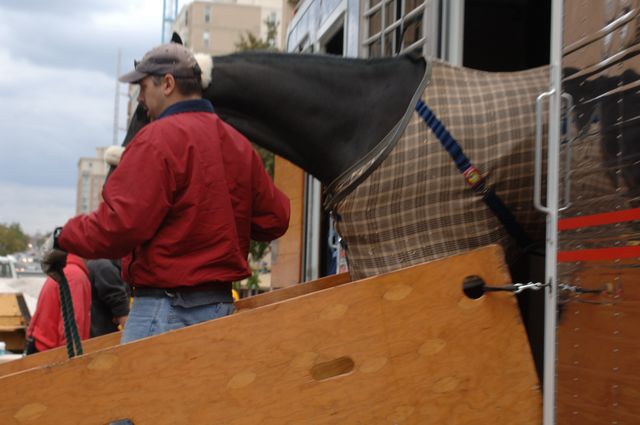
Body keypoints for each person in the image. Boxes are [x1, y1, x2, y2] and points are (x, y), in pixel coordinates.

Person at [40, 41, 290, 343]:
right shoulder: (237, 144)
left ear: (168, 83)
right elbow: (275, 219)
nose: (141, 98)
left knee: (133, 391)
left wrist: (63, 237)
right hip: (220, 310)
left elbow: (119, 226)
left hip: (165, 311)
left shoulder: (156, 140)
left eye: (143, 87)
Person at [25, 254, 91, 354]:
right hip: (49, 355)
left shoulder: (64, 271)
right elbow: (72, 330)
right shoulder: (75, 276)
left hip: (41, 349)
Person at [87, 259, 130, 337]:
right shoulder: (103, 266)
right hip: (103, 336)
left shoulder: (95, 264)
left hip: (95, 333)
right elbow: (120, 308)